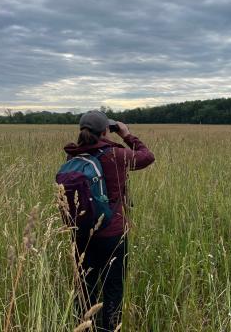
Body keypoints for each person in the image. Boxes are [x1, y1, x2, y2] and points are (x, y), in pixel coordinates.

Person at [63, 110, 154, 330]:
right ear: (106, 131)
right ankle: (110, 328)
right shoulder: (116, 154)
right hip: (112, 232)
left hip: (82, 231)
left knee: (85, 286)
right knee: (113, 286)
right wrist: (126, 134)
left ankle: (84, 326)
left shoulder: (74, 156)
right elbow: (147, 156)